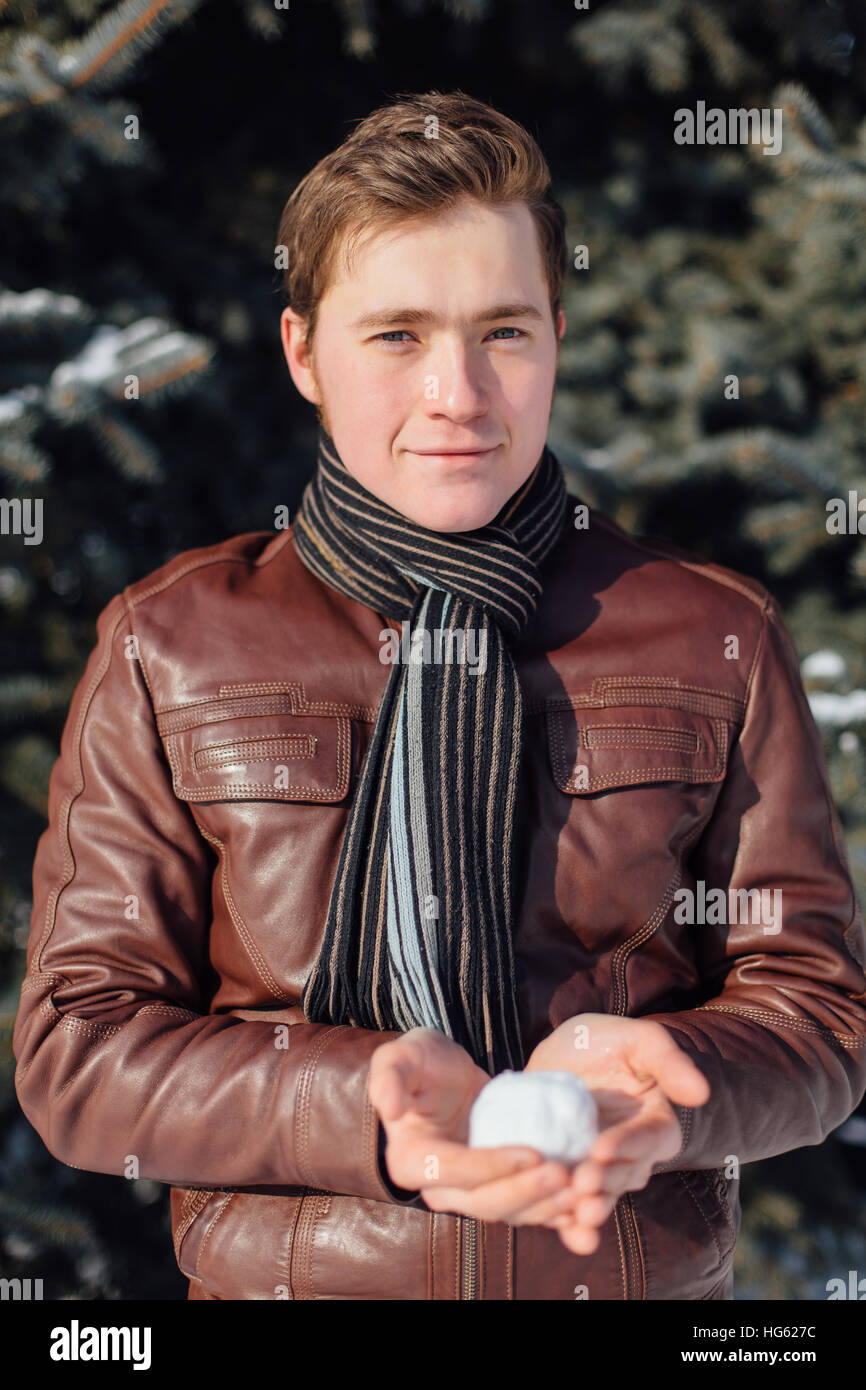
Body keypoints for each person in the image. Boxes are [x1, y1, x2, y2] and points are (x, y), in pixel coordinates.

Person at [13, 90, 866, 1301]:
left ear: (555, 337)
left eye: (502, 332)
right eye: (398, 335)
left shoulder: (710, 633)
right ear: (303, 352)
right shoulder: (173, 643)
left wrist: (672, 1081)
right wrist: (356, 1101)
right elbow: (78, 1050)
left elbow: (817, 1014)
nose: (457, 393)